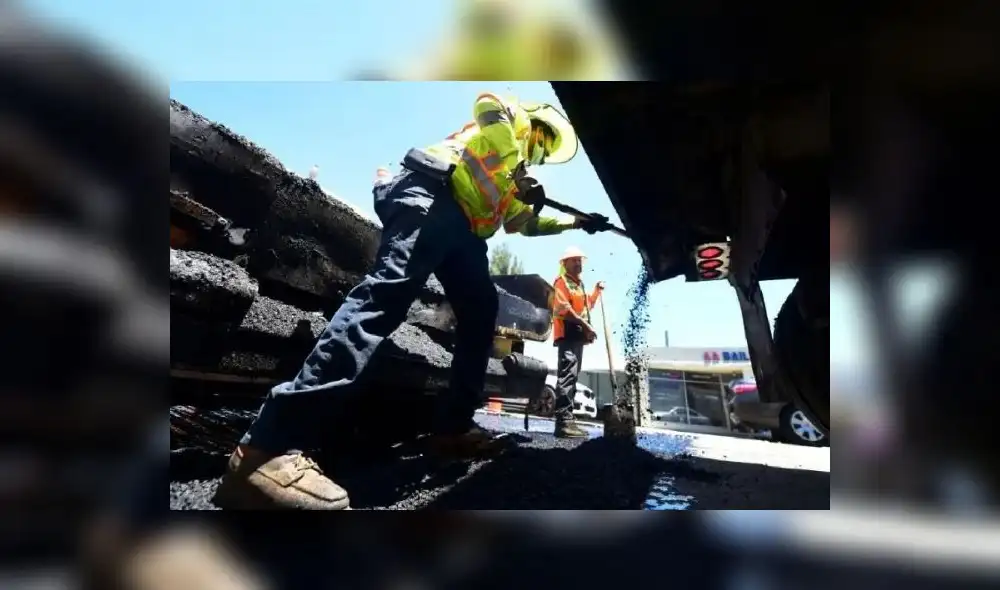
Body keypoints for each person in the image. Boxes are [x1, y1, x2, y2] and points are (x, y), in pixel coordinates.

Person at [214, 92, 608, 510]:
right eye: (546, 142)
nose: (545, 150)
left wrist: (575, 222)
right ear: (540, 129)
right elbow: (488, 104)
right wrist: (518, 167)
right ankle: (267, 449)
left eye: (547, 149)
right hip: (430, 193)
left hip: (465, 230)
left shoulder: (517, 182)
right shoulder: (511, 123)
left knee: (480, 315)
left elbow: (520, 222)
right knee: (386, 296)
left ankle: (453, 428)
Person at [550, 247, 605, 437]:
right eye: (573, 260)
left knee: (572, 376)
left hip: (577, 336)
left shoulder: (579, 285)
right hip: (567, 334)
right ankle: (563, 423)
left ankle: (568, 420)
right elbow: (563, 309)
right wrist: (587, 326)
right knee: (567, 375)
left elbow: (586, 306)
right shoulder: (561, 282)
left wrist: (596, 292)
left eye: (580, 260)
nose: (578, 263)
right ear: (564, 264)